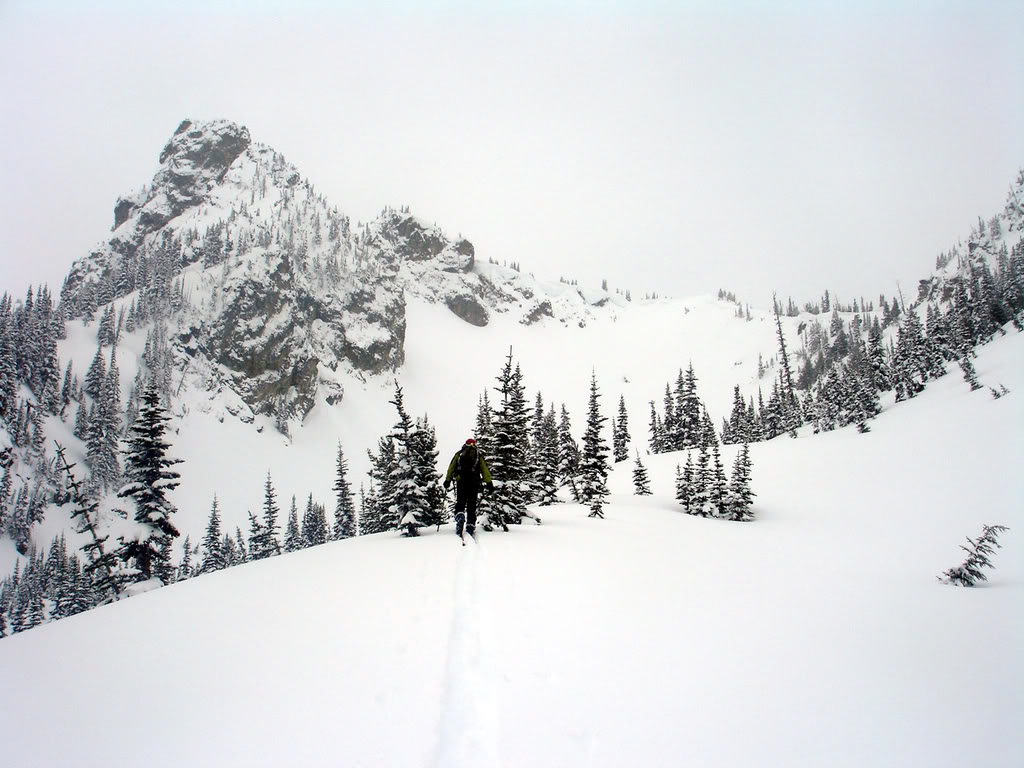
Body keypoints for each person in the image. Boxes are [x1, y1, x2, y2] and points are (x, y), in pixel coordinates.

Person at [444, 438, 493, 537]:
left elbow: (451, 467)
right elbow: (485, 470)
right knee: (472, 504)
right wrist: (489, 483)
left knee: (460, 501)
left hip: (461, 481)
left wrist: (448, 480)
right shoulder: (478, 455)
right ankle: (470, 525)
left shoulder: (459, 454)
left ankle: (460, 516)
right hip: (473, 482)